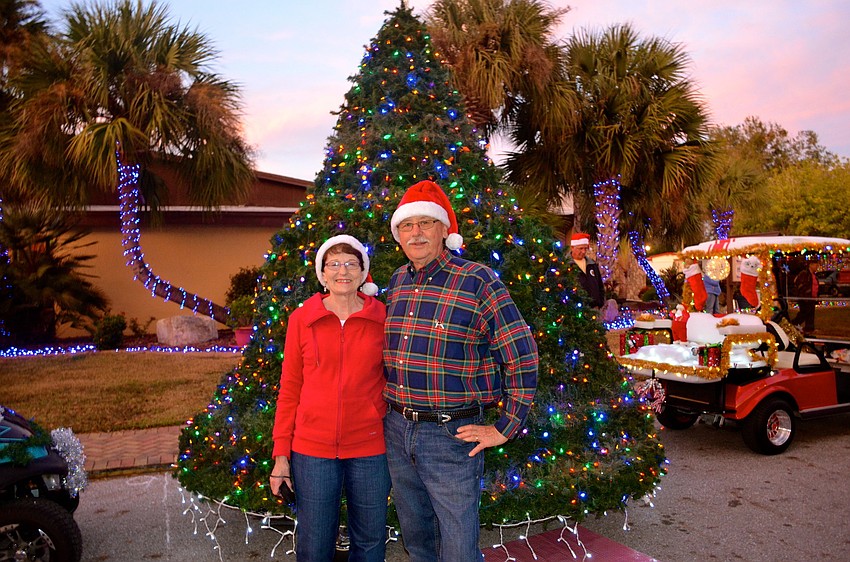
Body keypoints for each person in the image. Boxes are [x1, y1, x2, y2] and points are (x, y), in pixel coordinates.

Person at [382, 180, 539, 561]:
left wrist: (505, 427)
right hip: (398, 430)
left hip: (451, 435)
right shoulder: (397, 282)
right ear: (398, 234)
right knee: (417, 538)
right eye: (407, 225)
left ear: (444, 230)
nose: (416, 233)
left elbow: (523, 356)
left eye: (425, 223)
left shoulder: (478, 280)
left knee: (457, 545)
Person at [270, 234, 390, 562]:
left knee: (369, 541)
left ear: (364, 273)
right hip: (312, 450)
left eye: (351, 263)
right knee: (314, 542)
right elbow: (290, 388)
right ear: (322, 274)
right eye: (334, 264)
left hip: (370, 446)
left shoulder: (382, 319)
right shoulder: (302, 320)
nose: (343, 271)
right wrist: (281, 455)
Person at [567, 233, 605, 308]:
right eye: (580, 248)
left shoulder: (592, 264)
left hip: (593, 308)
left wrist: (600, 302)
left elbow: (600, 285)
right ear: (572, 248)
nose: (584, 251)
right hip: (574, 309)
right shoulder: (566, 265)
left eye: (585, 248)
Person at [793, 258, 819, 334]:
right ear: (810, 265)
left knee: (810, 314)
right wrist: (805, 293)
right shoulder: (804, 274)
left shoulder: (813, 276)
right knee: (804, 313)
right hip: (805, 298)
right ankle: (794, 324)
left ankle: (809, 328)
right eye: (815, 265)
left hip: (812, 298)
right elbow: (799, 284)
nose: (816, 267)